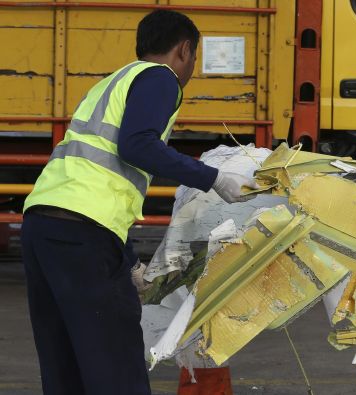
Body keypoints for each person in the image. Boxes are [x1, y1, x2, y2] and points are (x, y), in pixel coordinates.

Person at [20, 10, 258, 395]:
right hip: (83, 232)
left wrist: (127, 259)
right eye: (193, 58)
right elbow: (137, 146)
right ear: (184, 50)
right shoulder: (159, 79)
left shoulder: (111, 83)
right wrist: (214, 178)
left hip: (43, 224)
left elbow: (101, 176)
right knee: (116, 365)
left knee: (64, 363)